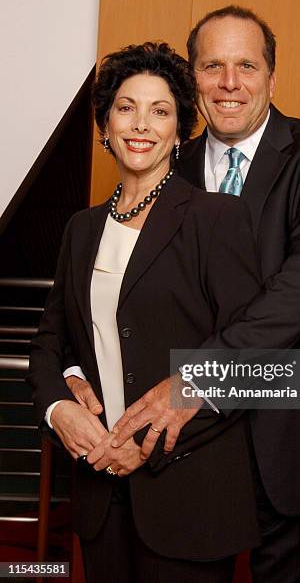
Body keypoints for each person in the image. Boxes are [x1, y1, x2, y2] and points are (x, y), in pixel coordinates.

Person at [106, 7, 300, 582]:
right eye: (212, 66)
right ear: (191, 78)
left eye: (247, 65)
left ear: (272, 76)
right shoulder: (166, 169)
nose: (230, 83)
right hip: (199, 441)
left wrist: (198, 379)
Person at [28, 42, 263, 583]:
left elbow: (250, 358)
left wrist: (147, 440)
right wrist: (59, 407)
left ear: (180, 131)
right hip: (100, 494)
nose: (141, 124)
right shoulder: (81, 229)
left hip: (189, 494)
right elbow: (49, 345)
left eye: (160, 111)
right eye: (126, 107)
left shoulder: (216, 218)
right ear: (105, 125)